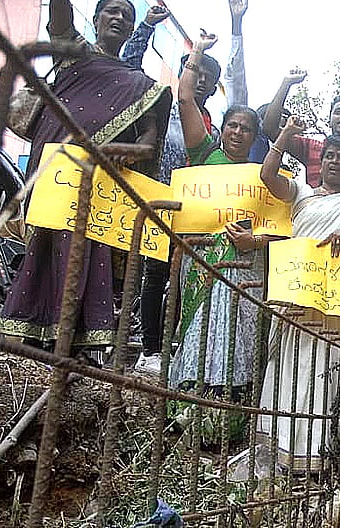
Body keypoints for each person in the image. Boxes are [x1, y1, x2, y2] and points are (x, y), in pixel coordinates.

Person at [0, 0, 171, 352]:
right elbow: (58, 16)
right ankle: (30, 338)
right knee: (46, 249)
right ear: (94, 19)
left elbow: (150, 141)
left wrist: (132, 151)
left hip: (101, 185)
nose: (120, 17)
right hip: (55, 177)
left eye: (127, 14)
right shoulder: (73, 53)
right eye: (112, 11)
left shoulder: (140, 84)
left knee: (91, 258)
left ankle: (75, 348)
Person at [258, 115, 340, 470]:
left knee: (324, 377)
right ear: (321, 162)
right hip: (297, 302)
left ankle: (318, 457)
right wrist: (284, 134)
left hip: (335, 310)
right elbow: (268, 176)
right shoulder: (300, 193)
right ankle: (282, 451)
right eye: (328, 155)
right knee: (290, 373)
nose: (333, 161)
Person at [121, 3, 231, 375]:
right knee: (153, 275)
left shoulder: (213, 130)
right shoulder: (164, 103)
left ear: (214, 87)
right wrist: (145, 28)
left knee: (184, 281)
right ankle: (150, 350)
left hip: (193, 215)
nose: (199, 78)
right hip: (157, 201)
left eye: (207, 75)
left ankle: (176, 349)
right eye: (194, 70)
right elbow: (130, 67)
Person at [167, 32, 263, 392]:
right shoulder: (205, 153)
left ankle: (229, 407)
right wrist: (198, 52)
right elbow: (185, 97)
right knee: (197, 325)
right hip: (200, 255)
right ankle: (189, 399)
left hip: (241, 265)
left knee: (237, 330)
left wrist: (254, 241)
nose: (238, 132)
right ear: (222, 130)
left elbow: (274, 225)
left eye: (246, 129)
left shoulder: (261, 177)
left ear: (254, 138)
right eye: (232, 126)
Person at [263, 72, 340, 204]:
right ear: (329, 119)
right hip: (316, 217)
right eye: (338, 112)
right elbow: (270, 129)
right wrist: (286, 84)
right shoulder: (311, 147)